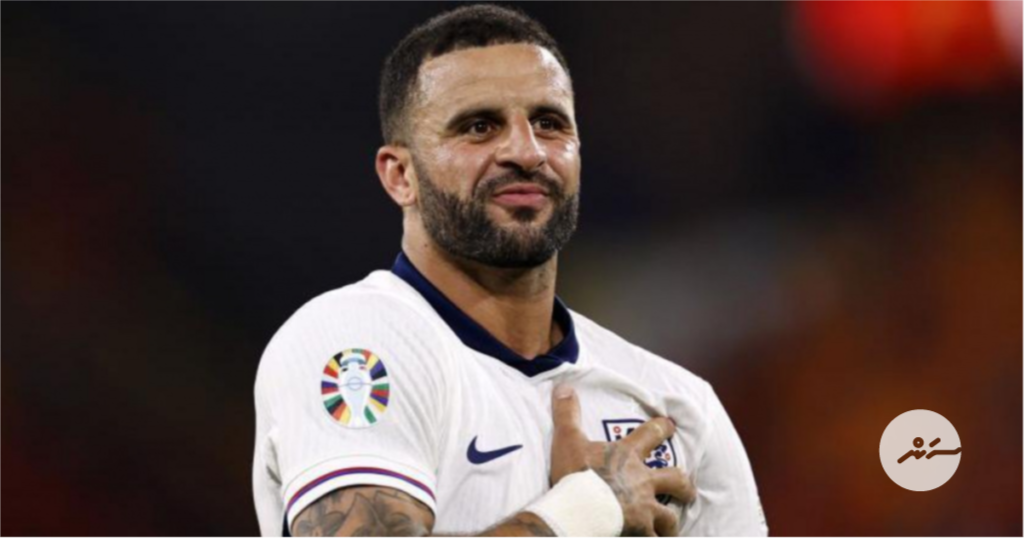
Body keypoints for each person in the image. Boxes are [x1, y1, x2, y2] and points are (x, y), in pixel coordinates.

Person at [253, 5, 766, 538]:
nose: (526, 151)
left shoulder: (677, 404)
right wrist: (589, 510)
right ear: (400, 175)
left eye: (549, 123)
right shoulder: (355, 342)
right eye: (479, 127)